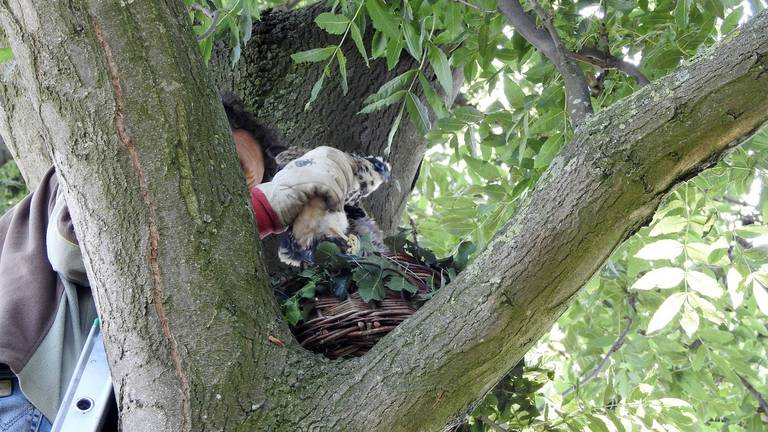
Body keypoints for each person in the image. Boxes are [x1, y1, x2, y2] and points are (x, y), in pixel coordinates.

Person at [0, 94, 355, 431]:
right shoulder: (102, 163)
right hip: (20, 396)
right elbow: (76, 249)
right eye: (232, 165)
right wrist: (263, 208)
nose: (235, 192)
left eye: (248, 189)